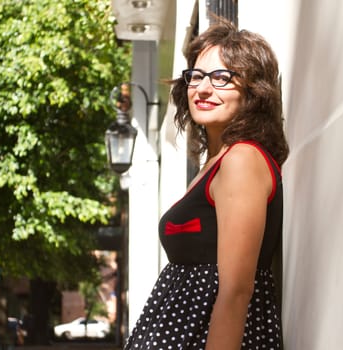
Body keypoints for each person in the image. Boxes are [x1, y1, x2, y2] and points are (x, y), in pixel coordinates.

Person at [124, 18, 289, 350]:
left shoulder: (242, 160)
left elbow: (236, 290)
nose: (202, 89)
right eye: (196, 77)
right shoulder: (214, 164)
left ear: (254, 91)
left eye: (221, 78)